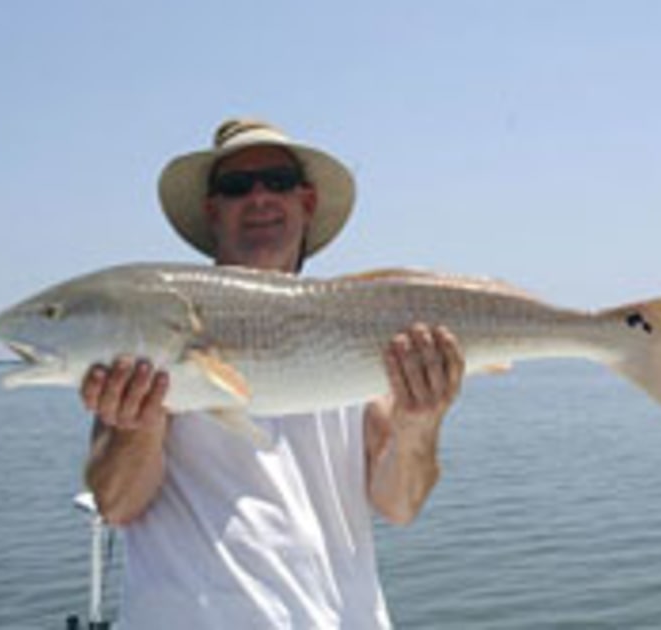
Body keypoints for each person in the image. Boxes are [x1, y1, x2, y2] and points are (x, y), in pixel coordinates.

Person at [80, 119, 465, 629]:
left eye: (278, 182)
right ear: (213, 211)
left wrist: (422, 420)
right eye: (237, 187)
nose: (259, 198)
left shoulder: (364, 325)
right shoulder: (160, 320)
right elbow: (118, 504)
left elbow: (399, 505)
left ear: (305, 203)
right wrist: (139, 422)